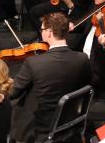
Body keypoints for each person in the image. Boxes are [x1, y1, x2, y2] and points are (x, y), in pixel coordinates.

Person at [9, 12, 91, 142]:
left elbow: (11, 93)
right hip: (70, 118)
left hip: (42, 126)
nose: (41, 32)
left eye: (42, 29)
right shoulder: (83, 59)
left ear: (49, 32)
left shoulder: (34, 63)